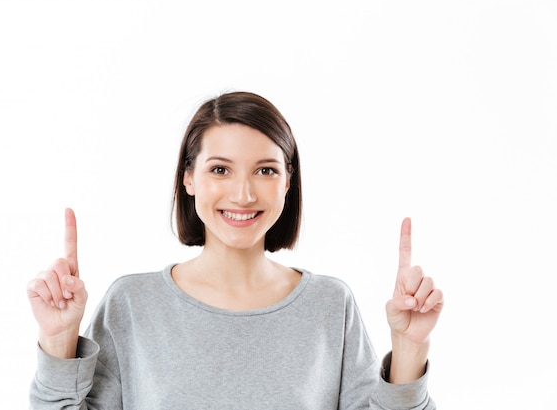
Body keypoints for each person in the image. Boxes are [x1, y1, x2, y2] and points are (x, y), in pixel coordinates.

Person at [27, 91, 444, 409]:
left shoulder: (330, 306)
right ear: (188, 178)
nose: (243, 194)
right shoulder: (133, 305)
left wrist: (409, 348)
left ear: (287, 181)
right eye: (220, 169)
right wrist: (59, 340)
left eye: (265, 170)